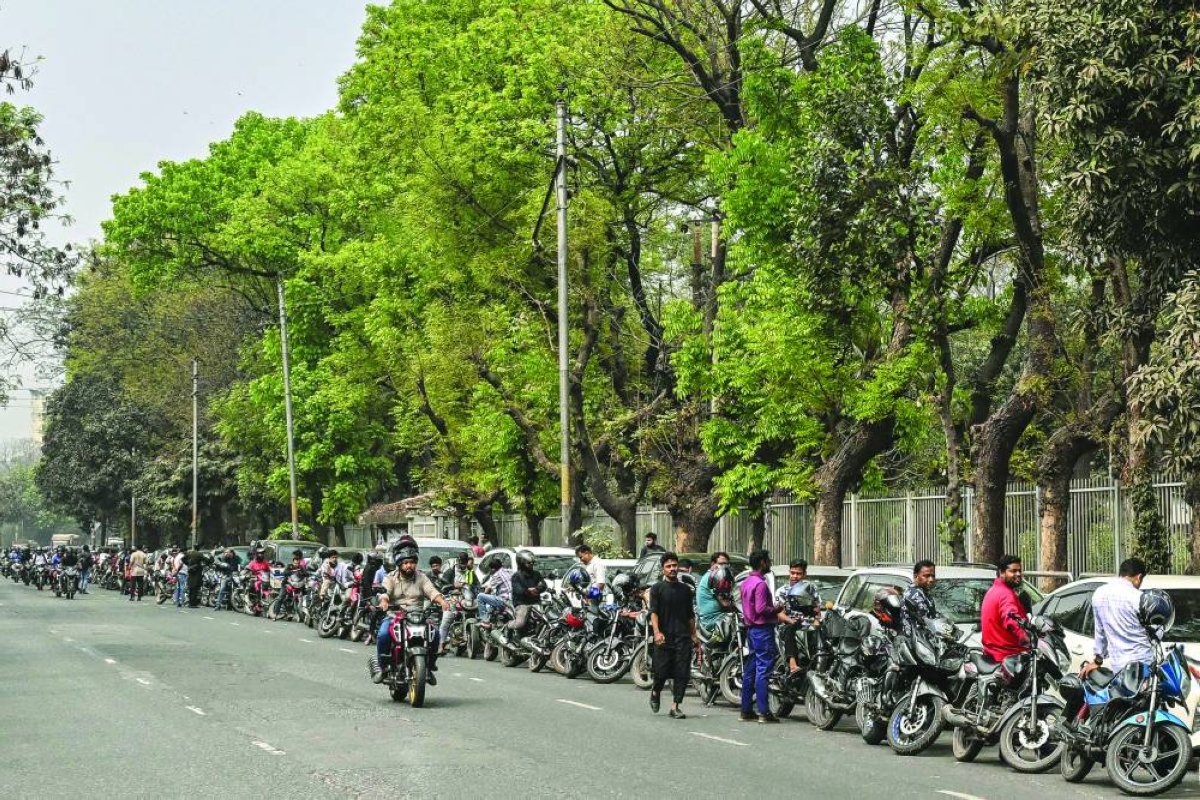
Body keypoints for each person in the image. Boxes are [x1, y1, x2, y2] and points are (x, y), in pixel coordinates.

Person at [369, 546, 450, 685]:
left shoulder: (421, 577)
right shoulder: (391, 577)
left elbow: (431, 591)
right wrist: (384, 601)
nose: (409, 565)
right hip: (394, 615)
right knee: (383, 634)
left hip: (417, 615)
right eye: (406, 563)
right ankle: (382, 668)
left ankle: (429, 667)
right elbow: (384, 593)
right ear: (400, 564)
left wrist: (442, 601)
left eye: (412, 562)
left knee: (435, 633)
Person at [648, 552, 698, 719]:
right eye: (668, 566)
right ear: (663, 569)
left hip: (683, 637)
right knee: (661, 672)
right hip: (664, 637)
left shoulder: (685, 590)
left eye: (674, 566)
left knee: (682, 673)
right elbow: (653, 613)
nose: (672, 569)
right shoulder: (657, 589)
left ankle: (675, 706)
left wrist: (694, 635)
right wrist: (657, 632)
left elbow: (690, 615)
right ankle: (656, 690)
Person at [1083, 558, 1152, 677]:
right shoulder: (1140, 598)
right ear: (1138, 577)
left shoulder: (1099, 594)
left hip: (1118, 668)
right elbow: (1153, 633)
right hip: (1143, 667)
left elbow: (1100, 632)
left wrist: (1097, 661)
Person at [739, 549, 781, 723]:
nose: (770, 563)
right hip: (762, 629)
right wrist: (777, 609)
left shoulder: (746, 582)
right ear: (763, 563)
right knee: (763, 669)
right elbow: (761, 609)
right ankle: (764, 711)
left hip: (751, 630)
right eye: (768, 560)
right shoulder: (761, 584)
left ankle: (746, 709)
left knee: (751, 668)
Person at [775, 559, 821, 673]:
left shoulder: (811, 589)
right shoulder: (782, 591)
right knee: (789, 629)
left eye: (798, 573)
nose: (795, 576)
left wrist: (816, 621)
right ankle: (792, 664)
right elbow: (778, 612)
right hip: (789, 626)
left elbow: (817, 608)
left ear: (804, 574)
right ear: (789, 572)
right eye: (792, 573)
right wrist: (789, 620)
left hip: (808, 625)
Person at [981, 555, 1029, 662]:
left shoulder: (993, 590)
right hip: (1008, 657)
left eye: (1020, 571)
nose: (1018, 574)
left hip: (992, 654)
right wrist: (1023, 636)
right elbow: (1011, 618)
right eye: (1013, 571)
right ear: (1001, 572)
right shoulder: (1006, 594)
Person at [505, 552, 545, 646]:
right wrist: (527, 590)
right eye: (528, 563)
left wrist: (537, 589)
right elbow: (518, 590)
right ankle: (507, 626)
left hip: (536, 603)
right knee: (520, 623)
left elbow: (543, 585)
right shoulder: (516, 576)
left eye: (532, 563)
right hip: (522, 603)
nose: (531, 565)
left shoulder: (536, 574)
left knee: (546, 620)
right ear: (521, 563)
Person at [696, 552, 734, 633]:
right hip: (713, 620)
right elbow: (725, 604)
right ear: (713, 564)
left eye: (726, 564)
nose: (724, 566)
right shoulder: (714, 578)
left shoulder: (713, 576)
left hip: (716, 618)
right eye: (721, 564)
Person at [903, 560, 940, 636]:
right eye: (926, 576)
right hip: (916, 640)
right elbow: (926, 619)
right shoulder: (913, 594)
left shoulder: (924, 592)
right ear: (915, 576)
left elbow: (933, 616)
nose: (931, 580)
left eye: (933, 576)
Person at [477, 555, 512, 626]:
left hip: (505, 602)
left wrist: (484, 593)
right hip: (514, 600)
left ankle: (485, 621)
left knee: (480, 596)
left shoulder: (497, 575)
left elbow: (488, 590)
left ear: (493, 569)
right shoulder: (509, 571)